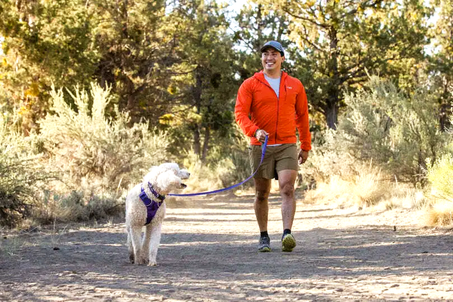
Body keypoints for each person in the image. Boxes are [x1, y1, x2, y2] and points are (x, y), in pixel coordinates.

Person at [235, 41, 311, 252]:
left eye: (274, 54)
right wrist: (254, 131)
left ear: (282, 58)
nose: (269, 57)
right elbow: (240, 113)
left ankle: (287, 233)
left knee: (287, 188)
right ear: (262, 59)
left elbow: (302, 116)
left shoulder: (294, 84)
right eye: (266, 54)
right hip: (261, 145)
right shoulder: (250, 84)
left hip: (287, 143)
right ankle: (264, 236)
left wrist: (305, 145)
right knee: (262, 193)